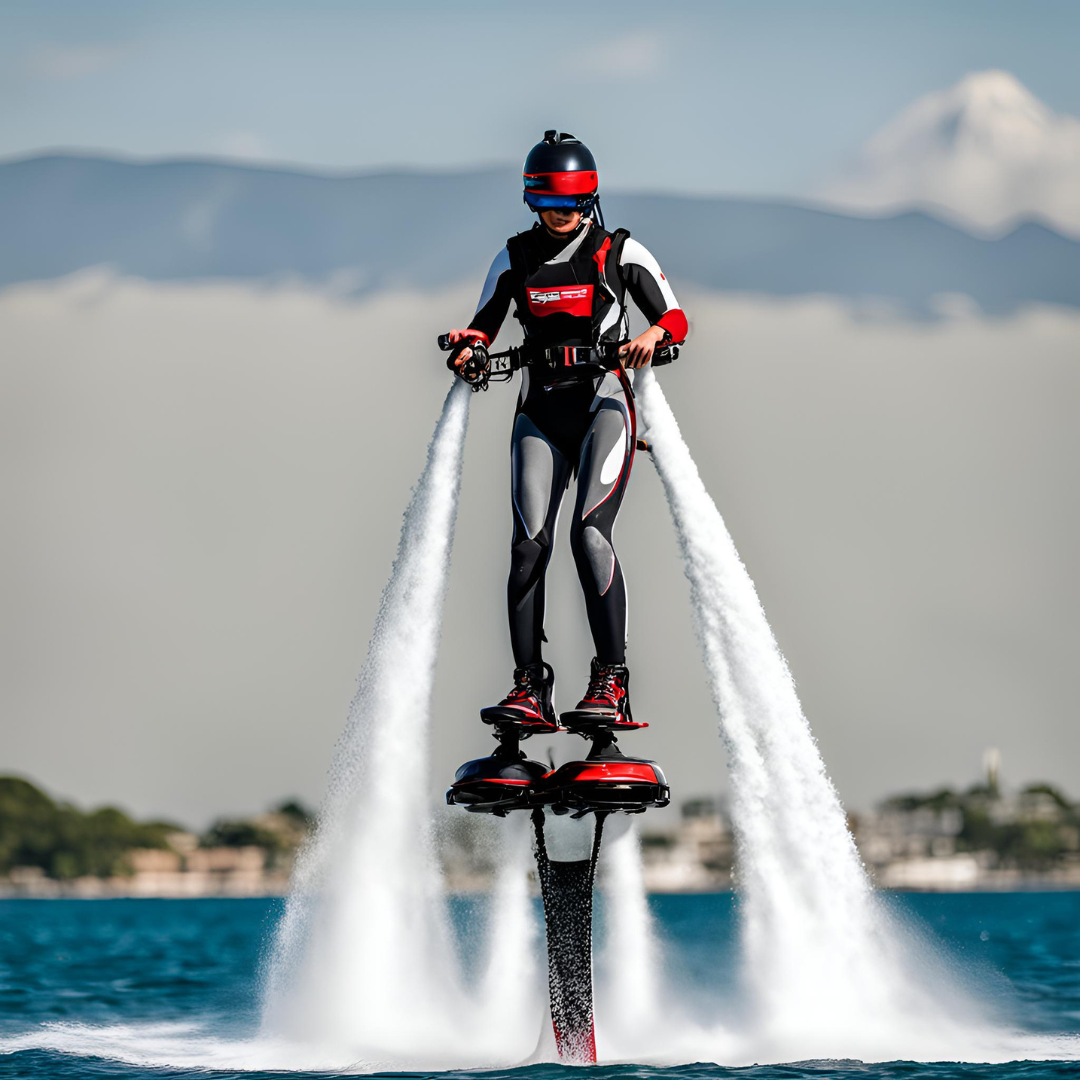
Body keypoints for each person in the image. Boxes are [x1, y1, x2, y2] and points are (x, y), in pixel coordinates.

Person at [444, 131, 688, 737]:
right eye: (553, 206)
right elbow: (482, 327)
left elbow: (675, 318)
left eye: (574, 206)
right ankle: (531, 686)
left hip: (606, 406)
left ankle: (612, 681)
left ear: (589, 199)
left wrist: (655, 337)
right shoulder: (514, 258)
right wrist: (467, 349)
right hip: (540, 413)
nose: (564, 215)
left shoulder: (619, 251)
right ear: (533, 201)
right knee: (527, 544)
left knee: (588, 533)